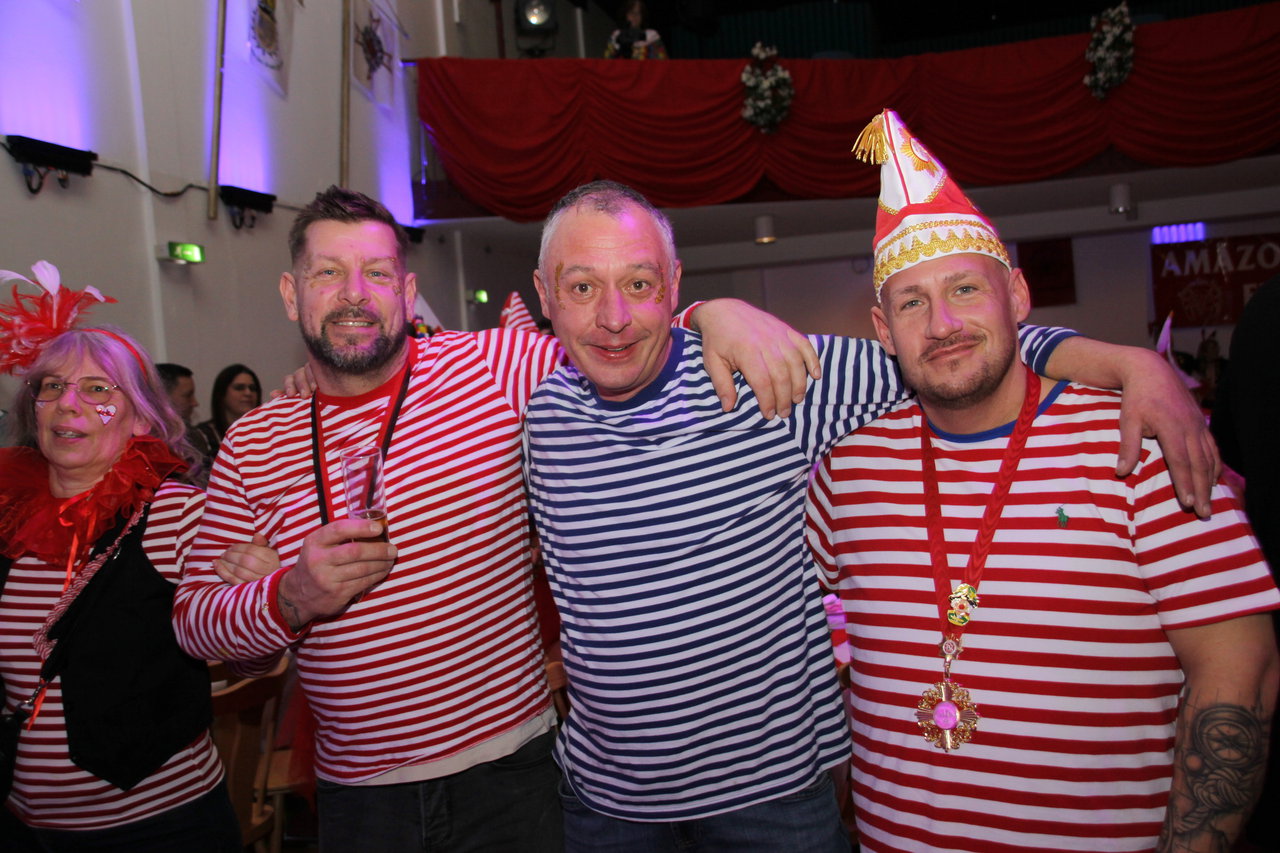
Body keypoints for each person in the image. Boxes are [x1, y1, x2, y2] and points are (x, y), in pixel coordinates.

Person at [521, 179, 1224, 850]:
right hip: (606, 807)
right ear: (544, 294)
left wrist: (1132, 365)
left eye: (639, 284)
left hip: (773, 804)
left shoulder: (766, 372)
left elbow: (952, 350)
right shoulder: (533, 410)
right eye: (581, 288)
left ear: (674, 285)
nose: (613, 318)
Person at [170, 185, 817, 852]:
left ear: (407, 291)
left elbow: (615, 332)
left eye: (378, 273)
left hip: (513, 773)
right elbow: (194, 623)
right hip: (361, 797)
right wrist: (289, 597)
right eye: (328, 273)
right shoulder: (252, 443)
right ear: (291, 293)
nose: (354, 294)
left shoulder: (495, 369)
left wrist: (711, 314)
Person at [805, 110, 1280, 853]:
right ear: (882, 328)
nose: (942, 324)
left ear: (1019, 297)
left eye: (966, 288)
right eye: (912, 302)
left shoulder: (1146, 441)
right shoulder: (846, 466)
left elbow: (1239, 672)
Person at [0, 262, 241, 850]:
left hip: (159, 828)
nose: (67, 403)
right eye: (51, 387)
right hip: (25, 829)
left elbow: (244, 643)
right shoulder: (8, 516)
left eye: (97, 390)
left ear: (138, 416)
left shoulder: (175, 514)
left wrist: (257, 586)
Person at [191, 363, 260, 467]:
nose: (248, 393)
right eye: (239, 388)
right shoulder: (202, 435)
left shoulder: (265, 432)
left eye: (253, 388)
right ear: (222, 393)